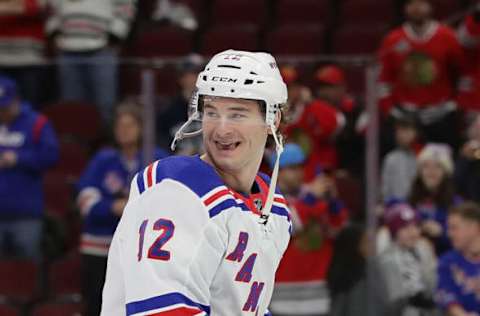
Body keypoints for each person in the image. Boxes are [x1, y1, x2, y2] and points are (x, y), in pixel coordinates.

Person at [101, 50, 291, 315]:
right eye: (212, 112)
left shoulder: (274, 205)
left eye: (237, 114)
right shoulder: (176, 189)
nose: (221, 129)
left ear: (273, 120)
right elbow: (163, 311)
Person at [76, 102, 169, 316]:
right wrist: (112, 206)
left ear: (141, 128)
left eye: (130, 125)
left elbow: (170, 200)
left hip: (143, 247)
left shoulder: (157, 158)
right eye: (120, 126)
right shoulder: (103, 159)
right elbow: (84, 200)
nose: (124, 130)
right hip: (100, 245)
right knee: (98, 306)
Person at [269, 143, 349, 316]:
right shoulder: (270, 199)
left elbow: (338, 230)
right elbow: (286, 227)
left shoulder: (314, 195)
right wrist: (311, 198)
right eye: (291, 168)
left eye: (300, 167)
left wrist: (333, 202)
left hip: (318, 292)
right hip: (282, 295)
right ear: (279, 171)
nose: (298, 173)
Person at [377, 0, 465, 149]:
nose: (416, 8)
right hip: (405, 116)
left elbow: (463, 74)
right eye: (411, 3)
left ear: (431, 6)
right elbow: (383, 80)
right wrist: (390, 110)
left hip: (440, 115)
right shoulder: (393, 40)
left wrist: (454, 104)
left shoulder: (448, 37)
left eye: (421, 3)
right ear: (405, 8)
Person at [46, 0, 137, 123]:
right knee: (72, 108)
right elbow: (50, 8)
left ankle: (107, 141)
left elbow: (127, 5)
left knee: (105, 106)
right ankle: (75, 141)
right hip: (67, 48)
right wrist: (54, 31)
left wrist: (115, 34)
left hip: (102, 49)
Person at [0, 75, 59, 259]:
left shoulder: (37, 123)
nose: (2, 113)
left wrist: (18, 158)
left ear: (16, 100)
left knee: (27, 271)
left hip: (26, 215)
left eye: (5, 108)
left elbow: (51, 156)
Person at [378, 202, 438, 316]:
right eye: (405, 228)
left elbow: (433, 283)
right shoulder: (387, 259)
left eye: (416, 226)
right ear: (394, 232)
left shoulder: (424, 249)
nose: (413, 232)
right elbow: (396, 300)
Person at [409, 143, 459, 255]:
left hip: (445, 260)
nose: (431, 171)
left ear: (445, 172)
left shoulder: (456, 203)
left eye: (437, 166)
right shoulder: (411, 200)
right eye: (426, 166)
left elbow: (463, 240)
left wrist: (441, 233)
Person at [327, 223, 385, 316]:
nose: (371, 246)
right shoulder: (351, 277)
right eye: (366, 242)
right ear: (353, 245)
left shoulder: (371, 268)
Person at [435, 201, 480, 316]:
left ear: (474, 228)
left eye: (454, 228)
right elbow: (449, 302)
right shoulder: (447, 262)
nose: (449, 234)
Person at [0, 0, 48, 106]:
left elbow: (35, 8)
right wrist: (19, 5)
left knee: (29, 106)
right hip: (1, 60)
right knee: (2, 107)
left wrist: (6, 6)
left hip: (29, 61)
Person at [382, 115, 420, 201]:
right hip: (395, 206)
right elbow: (385, 189)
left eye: (407, 130)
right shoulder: (390, 158)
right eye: (400, 131)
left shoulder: (421, 156)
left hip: (416, 206)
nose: (403, 135)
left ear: (415, 133)